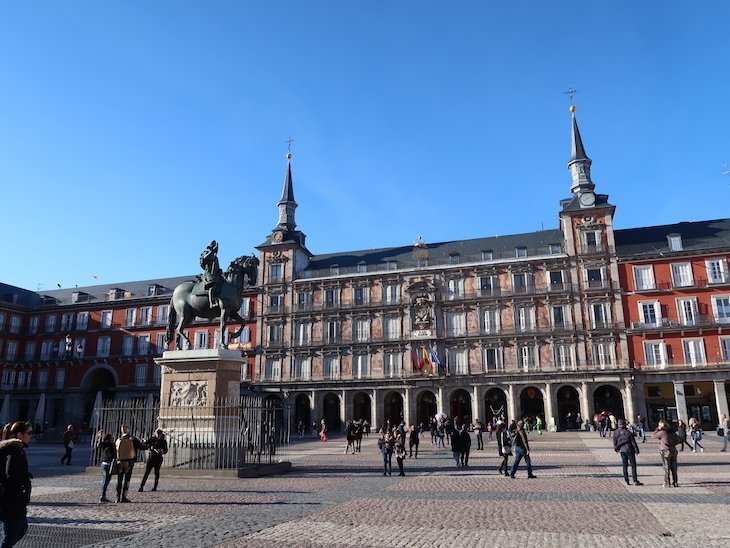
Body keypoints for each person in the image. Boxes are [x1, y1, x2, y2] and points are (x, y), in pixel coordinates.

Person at [0, 421, 33, 548]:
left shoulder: (16, 449)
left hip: (15, 500)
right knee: (11, 535)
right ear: (19, 434)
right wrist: (24, 480)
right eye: (29, 433)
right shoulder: (14, 450)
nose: (31, 436)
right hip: (11, 499)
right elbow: (10, 475)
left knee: (21, 528)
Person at [114, 425, 146, 503]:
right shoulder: (133, 439)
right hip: (129, 462)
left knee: (119, 480)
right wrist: (146, 444)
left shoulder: (118, 439)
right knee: (127, 480)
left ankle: (117, 497)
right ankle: (124, 496)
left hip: (120, 462)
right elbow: (141, 447)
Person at [613, 418, 643, 485]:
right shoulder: (628, 432)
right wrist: (636, 450)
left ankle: (626, 480)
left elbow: (615, 442)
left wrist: (616, 449)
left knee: (624, 465)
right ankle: (635, 480)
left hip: (622, 450)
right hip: (629, 450)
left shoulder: (616, 432)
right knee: (633, 465)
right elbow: (633, 442)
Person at [652, 420, 679, 487]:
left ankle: (667, 482)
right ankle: (675, 482)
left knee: (666, 467)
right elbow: (677, 440)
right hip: (673, 450)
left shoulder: (662, 432)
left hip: (665, 451)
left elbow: (653, 435)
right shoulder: (672, 432)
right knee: (674, 467)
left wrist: (657, 429)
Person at [199, 239, 222, 308]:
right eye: (213, 246)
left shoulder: (215, 257)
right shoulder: (205, 253)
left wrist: (219, 270)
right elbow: (205, 259)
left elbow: (217, 266)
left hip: (215, 274)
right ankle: (212, 302)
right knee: (212, 285)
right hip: (208, 273)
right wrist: (212, 251)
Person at [97, 433, 116, 502]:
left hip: (104, 464)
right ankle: (102, 496)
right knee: (105, 481)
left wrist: (100, 437)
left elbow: (99, 444)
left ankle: (102, 495)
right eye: (112, 438)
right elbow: (112, 455)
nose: (113, 439)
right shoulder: (109, 446)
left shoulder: (106, 445)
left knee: (105, 481)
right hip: (107, 464)